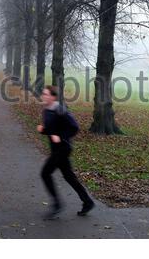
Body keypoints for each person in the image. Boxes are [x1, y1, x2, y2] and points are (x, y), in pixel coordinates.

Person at [37, 86, 94, 220]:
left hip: (63, 148)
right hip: (56, 149)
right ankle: (88, 202)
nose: (43, 96)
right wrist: (43, 130)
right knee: (69, 176)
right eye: (43, 94)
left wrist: (61, 137)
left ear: (53, 97)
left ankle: (57, 205)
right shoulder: (46, 110)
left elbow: (74, 127)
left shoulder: (60, 109)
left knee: (45, 173)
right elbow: (52, 129)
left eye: (46, 94)